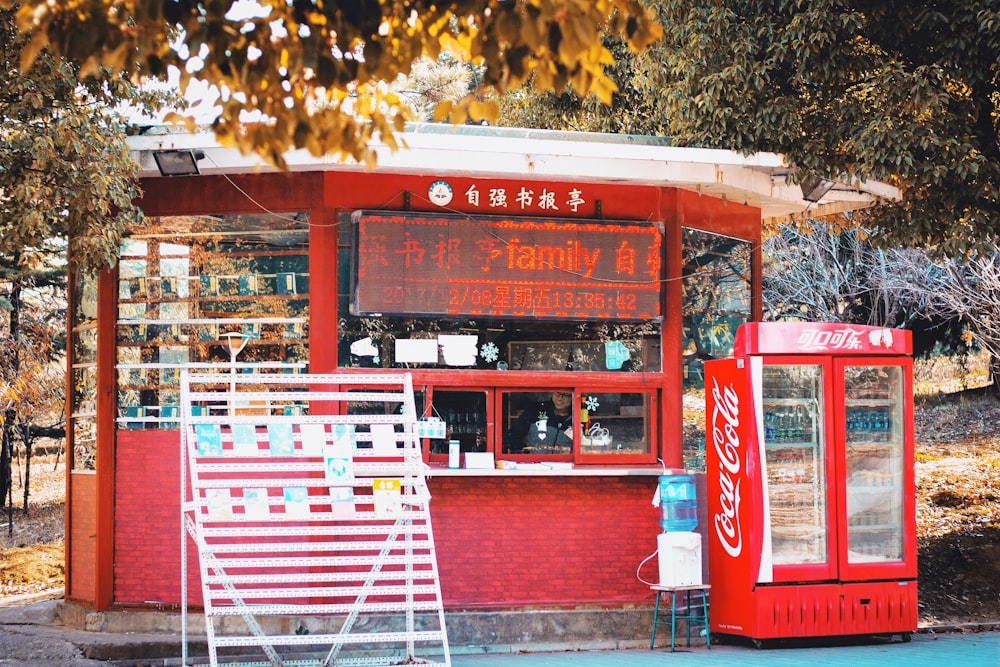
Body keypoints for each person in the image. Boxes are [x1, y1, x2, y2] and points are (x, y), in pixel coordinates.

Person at [504, 390, 575, 453]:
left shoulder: (577, 417)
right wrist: (526, 452)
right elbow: (512, 436)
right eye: (557, 393)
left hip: (565, 464)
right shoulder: (535, 410)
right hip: (535, 464)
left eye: (566, 395)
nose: (560, 399)